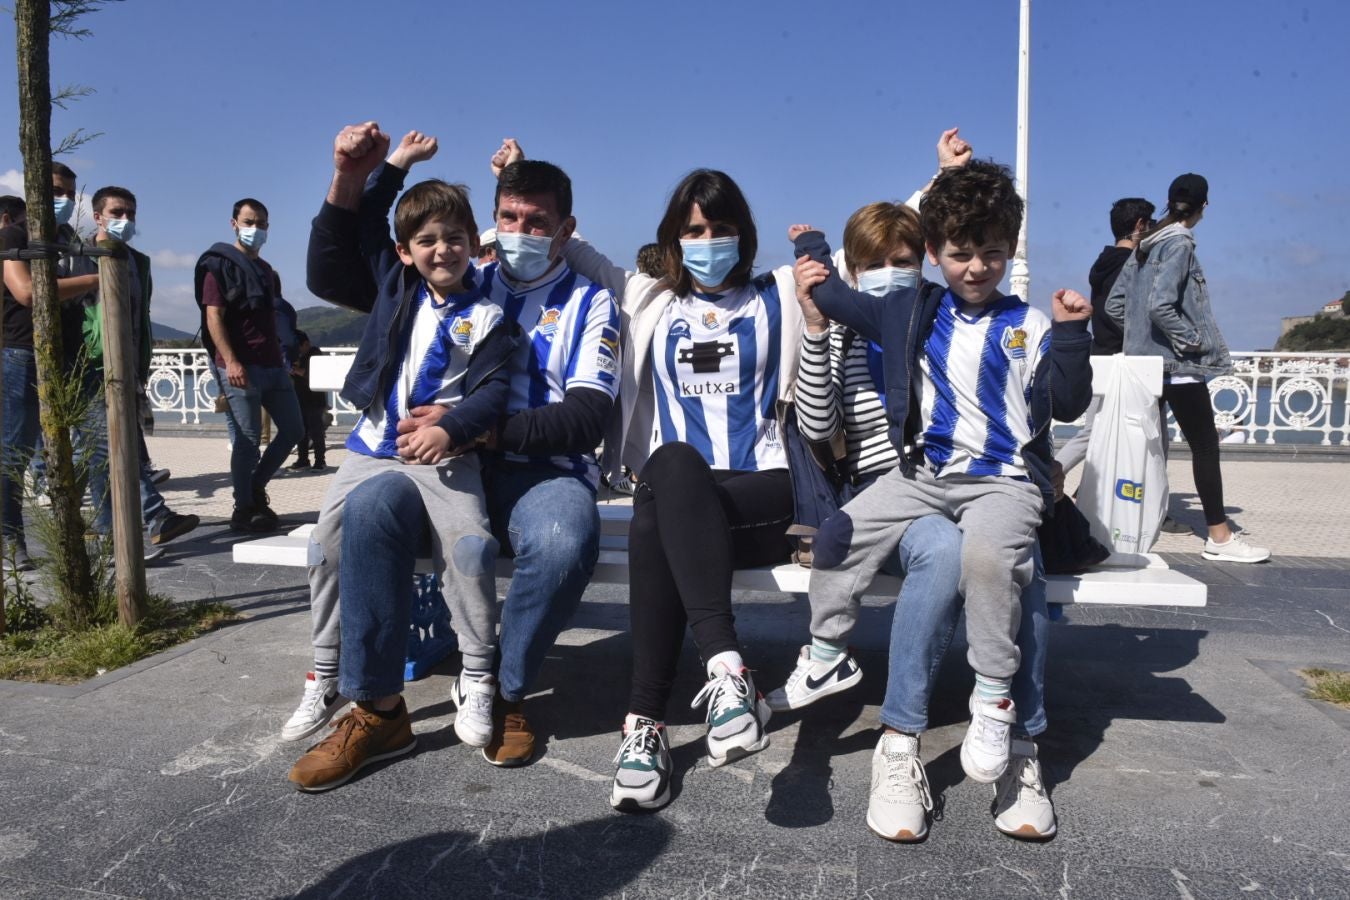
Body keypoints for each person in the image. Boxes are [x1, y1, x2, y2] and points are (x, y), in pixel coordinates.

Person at [293, 129, 619, 773]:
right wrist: (350, 178)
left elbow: (586, 418)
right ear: (491, 221)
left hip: (536, 470)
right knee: (366, 512)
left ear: (565, 229)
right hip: (434, 465)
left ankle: (508, 692)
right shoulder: (453, 273)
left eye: (538, 221)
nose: (520, 230)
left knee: (560, 539)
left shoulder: (589, 301)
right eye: (509, 217)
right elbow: (335, 269)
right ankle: (377, 710)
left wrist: (474, 429)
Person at [790, 160, 1093, 831]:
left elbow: (1068, 399)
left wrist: (1073, 333)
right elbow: (843, 301)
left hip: (1005, 484)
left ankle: (1002, 715)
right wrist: (810, 255)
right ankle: (826, 654)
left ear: (1011, 250)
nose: (977, 267)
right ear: (936, 256)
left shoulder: (1028, 324)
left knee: (1000, 562)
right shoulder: (913, 313)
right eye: (960, 253)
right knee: (838, 532)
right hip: (925, 476)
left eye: (992, 252)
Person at [526, 137, 803, 811]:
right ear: (675, 239)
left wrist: (940, 183)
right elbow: (575, 243)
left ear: (744, 234)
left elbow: (874, 241)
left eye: (722, 229)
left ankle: (646, 719)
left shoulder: (783, 292)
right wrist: (515, 179)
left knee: (661, 500)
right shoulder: (649, 299)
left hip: (767, 494)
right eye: (695, 230)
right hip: (681, 499)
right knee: (671, 470)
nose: (709, 241)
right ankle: (719, 676)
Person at [287, 124, 520, 792]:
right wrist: (391, 165)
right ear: (407, 252)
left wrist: (456, 428)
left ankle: (477, 673)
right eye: (426, 241)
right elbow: (362, 227)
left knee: (471, 549)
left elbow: (497, 389)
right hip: (373, 450)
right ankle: (329, 674)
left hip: (448, 460)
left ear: (475, 243)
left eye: (454, 237)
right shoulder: (396, 286)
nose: (441, 250)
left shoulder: (493, 312)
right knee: (324, 549)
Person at [1106, 173, 1270, 563]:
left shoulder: (1144, 244)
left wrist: (1140, 341)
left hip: (1142, 366)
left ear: (1168, 201)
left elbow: (1115, 306)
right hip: (1176, 366)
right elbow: (1161, 305)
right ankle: (1219, 537)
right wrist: (1190, 340)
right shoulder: (1179, 243)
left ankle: (1115, 529)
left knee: (1137, 447)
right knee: (1205, 446)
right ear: (1204, 207)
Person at [60, 186, 200, 555]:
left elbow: (142, 317)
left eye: (131, 214)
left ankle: (114, 539)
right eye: (118, 212)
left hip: (128, 369)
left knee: (111, 456)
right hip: (89, 367)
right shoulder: (78, 258)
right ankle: (154, 516)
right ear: (98, 216)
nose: (126, 220)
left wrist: (142, 365)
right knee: (108, 449)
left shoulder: (137, 262)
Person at [1, 163, 100, 572]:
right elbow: (26, 292)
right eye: (57, 190)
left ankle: (74, 533)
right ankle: (9, 540)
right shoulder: (14, 235)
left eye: (71, 194)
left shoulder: (68, 240)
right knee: (15, 451)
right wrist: (98, 278)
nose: (65, 200)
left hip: (69, 356)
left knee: (79, 447)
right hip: (22, 353)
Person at [194, 197, 302, 532]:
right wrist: (232, 361)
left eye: (261, 223)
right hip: (241, 367)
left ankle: (254, 486)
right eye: (249, 221)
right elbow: (214, 317)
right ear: (234, 223)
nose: (255, 229)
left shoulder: (267, 271)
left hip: (272, 365)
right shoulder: (219, 266)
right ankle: (243, 507)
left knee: (295, 430)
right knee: (247, 440)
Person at [287, 330, 328, 471]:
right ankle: (303, 459)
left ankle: (320, 461)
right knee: (301, 432)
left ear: (306, 344)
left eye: (299, 347)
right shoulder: (297, 356)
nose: (297, 351)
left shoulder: (315, 354)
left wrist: (294, 369)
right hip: (300, 399)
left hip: (315, 400)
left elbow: (312, 374)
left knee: (316, 432)